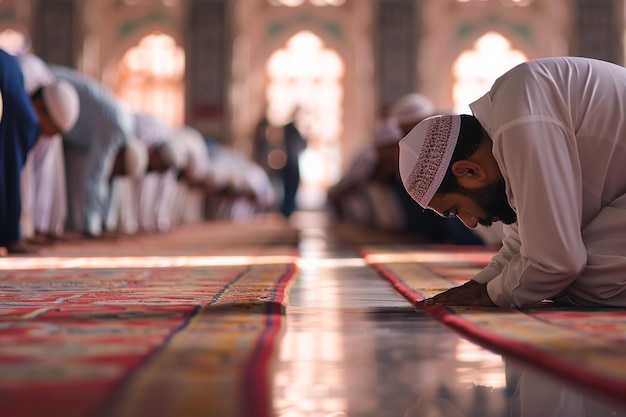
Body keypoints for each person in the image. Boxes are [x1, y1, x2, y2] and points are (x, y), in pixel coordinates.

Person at [398, 56, 626, 308]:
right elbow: (525, 243)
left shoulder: (517, 123)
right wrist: (477, 285)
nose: (471, 222)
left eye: (456, 210)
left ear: (469, 171)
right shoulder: (507, 121)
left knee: (585, 277)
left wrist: (488, 296)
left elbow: (557, 261)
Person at [50, 64, 147, 237]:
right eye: (119, 170)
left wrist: (106, 224)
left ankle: (59, 228)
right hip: (48, 89)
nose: (115, 173)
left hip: (65, 120)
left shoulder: (123, 130)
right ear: (120, 159)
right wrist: (93, 228)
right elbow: (95, 177)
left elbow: (110, 183)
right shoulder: (116, 128)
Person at [0, 49, 78, 254]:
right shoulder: (27, 117)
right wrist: (13, 237)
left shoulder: (32, 78)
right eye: (48, 131)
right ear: (39, 106)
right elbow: (12, 169)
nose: (47, 138)